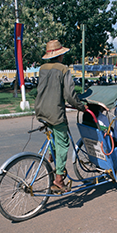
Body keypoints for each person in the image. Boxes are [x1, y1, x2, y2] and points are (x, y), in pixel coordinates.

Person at [33, 40, 84, 193]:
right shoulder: (63, 69)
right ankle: (59, 178)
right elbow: (69, 95)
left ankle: (52, 158)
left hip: (41, 109)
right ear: (60, 55)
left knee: (54, 136)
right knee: (64, 143)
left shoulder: (42, 68)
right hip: (55, 112)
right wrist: (81, 106)